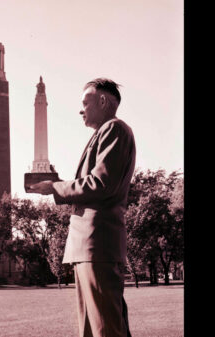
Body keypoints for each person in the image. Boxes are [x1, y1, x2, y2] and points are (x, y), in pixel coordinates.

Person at [29, 78, 136, 337]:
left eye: (85, 103)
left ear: (103, 101)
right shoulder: (104, 133)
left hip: (97, 243)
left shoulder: (115, 129)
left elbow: (100, 183)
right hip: (90, 245)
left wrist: (55, 187)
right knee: (95, 327)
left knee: (104, 329)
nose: (81, 110)